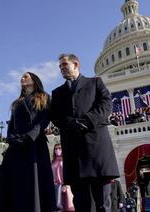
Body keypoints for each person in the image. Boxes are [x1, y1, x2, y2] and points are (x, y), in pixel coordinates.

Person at [50, 53, 120, 212]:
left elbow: (106, 104)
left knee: (103, 203)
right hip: (74, 154)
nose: (61, 68)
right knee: (82, 203)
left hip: (96, 151)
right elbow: (54, 115)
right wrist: (70, 123)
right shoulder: (57, 93)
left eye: (64, 64)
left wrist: (87, 121)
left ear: (76, 64)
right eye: (60, 66)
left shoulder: (95, 83)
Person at [0, 72, 56, 212]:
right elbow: (11, 125)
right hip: (16, 148)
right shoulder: (16, 103)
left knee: (35, 184)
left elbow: (43, 121)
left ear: (34, 80)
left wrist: (29, 137)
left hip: (35, 145)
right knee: (13, 186)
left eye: (26, 76)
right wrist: (12, 139)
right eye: (22, 76)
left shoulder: (45, 97)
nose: (22, 78)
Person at [51, 143, 74, 212]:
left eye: (59, 148)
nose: (57, 150)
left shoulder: (64, 162)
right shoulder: (52, 162)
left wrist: (65, 184)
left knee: (68, 207)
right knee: (58, 207)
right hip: (55, 187)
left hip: (65, 186)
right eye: (56, 149)